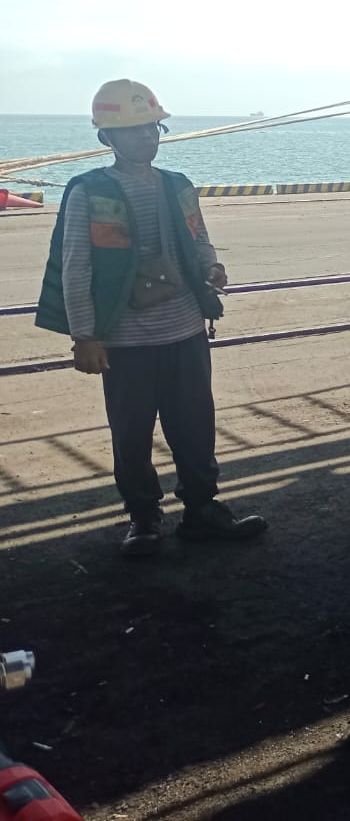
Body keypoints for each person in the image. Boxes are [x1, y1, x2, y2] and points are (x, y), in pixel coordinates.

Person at [35, 79, 266, 557]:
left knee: (195, 425)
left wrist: (211, 268)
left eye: (152, 127)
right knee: (132, 434)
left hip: (185, 331)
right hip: (125, 342)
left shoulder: (178, 186)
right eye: (134, 129)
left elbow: (199, 239)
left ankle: (201, 509)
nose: (146, 136)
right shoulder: (88, 192)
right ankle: (143, 517)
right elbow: (76, 266)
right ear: (107, 137)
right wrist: (85, 336)